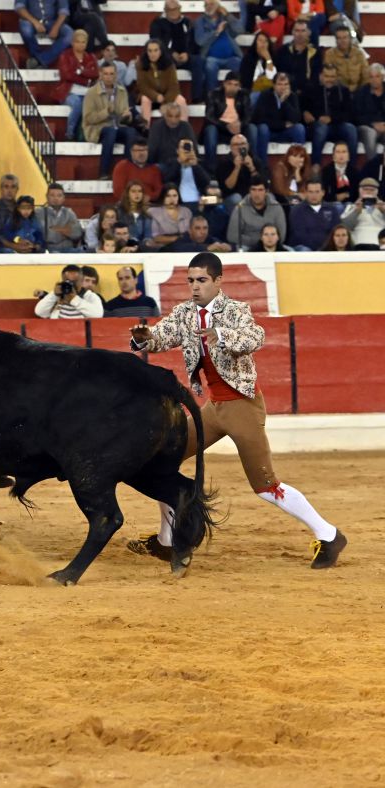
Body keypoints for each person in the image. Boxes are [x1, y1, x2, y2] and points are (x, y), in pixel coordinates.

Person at [127, 252, 346, 570]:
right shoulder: (185, 313)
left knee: (266, 486)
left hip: (242, 406)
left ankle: (328, 534)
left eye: (201, 280)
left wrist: (222, 335)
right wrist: (141, 339)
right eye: (190, 281)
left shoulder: (234, 311)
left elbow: (256, 336)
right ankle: (166, 541)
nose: (195, 287)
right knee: (162, 462)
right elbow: (161, 338)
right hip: (213, 409)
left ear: (218, 281)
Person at [83, 62, 137, 179]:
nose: (108, 77)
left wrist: (127, 116)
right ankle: (103, 172)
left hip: (117, 126)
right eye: (106, 74)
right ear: (100, 75)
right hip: (97, 129)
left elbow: (123, 119)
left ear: (116, 75)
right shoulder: (91, 93)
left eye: (111, 74)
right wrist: (106, 112)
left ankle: (126, 171)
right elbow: (88, 118)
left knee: (131, 132)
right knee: (110, 131)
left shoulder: (122, 91)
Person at [303, 63, 358, 164]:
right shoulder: (311, 89)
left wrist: (332, 119)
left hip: (337, 125)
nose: (330, 79)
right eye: (327, 76)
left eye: (332, 76)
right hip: (317, 127)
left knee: (351, 129)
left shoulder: (344, 91)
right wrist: (305, 112)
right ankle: (316, 165)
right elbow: (303, 108)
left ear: (337, 77)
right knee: (322, 129)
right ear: (321, 76)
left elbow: (350, 114)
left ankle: (351, 166)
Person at [202, 72, 256, 173]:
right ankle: (210, 170)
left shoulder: (244, 95)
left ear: (239, 87)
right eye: (229, 84)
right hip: (220, 130)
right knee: (210, 130)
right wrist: (226, 125)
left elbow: (248, 116)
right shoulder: (213, 94)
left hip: (239, 130)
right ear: (224, 84)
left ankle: (253, 164)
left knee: (252, 128)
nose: (232, 87)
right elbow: (209, 117)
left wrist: (240, 124)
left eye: (236, 85)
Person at [149, 0, 201, 100]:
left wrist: (187, 54)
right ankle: (167, 97)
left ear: (180, 9)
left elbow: (194, 43)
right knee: (163, 61)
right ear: (165, 10)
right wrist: (171, 53)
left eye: (175, 9)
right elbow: (155, 43)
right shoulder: (157, 23)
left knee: (198, 61)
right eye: (169, 10)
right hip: (166, 56)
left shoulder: (188, 22)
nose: (173, 12)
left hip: (185, 56)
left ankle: (197, 98)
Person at [54, 29, 97, 142]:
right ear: (73, 42)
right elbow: (67, 75)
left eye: (83, 42)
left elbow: (95, 73)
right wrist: (86, 80)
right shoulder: (65, 56)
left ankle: (85, 135)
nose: (80, 44)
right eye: (78, 41)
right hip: (68, 92)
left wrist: (80, 71)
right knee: (77, 104)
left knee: (91, 106)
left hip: (87, 93)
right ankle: (70, 133)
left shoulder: (90, 57)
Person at [135, 38, 189, 128]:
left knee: (181, 100)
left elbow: (174, 86)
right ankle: (145, 130)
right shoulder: (141, 65)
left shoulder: (169, 64)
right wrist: (156, 96)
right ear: (146, 52)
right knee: (145, 99)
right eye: (150, 51)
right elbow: (142, 86)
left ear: (161, 51)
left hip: (167, 97)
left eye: (156, 50)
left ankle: (184, 130)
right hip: (150, 96)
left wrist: (165, 102)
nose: (153, 54)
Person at [253, 72, 306, 162]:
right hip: (269, 132)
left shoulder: (292, 96)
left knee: (299, 128)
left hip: (285, 132)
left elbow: (296, 119)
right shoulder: (265, 95)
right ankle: (262, 166)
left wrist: (284, 102)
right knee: (263, 128)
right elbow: (259, 118)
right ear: (274, 85)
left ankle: (298, 163)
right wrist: (282, 125)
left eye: (286, 84)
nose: (283, 87)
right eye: (279, 84)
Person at [194, 0, 243, 97]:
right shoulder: (200, 21)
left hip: (231, 57)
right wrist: (216, 32)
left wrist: (228, 15)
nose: (208, 6)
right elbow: (200, 40)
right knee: (210, 65)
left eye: (211, 4)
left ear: (218, 6)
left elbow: (240, 30)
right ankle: (212, 97)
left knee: (240, 63)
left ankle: (237, 97)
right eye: (206, 5)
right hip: (211, 58)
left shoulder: (225, 18)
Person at [227, 180, 286, 250]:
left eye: (260, 190)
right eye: (253, 190)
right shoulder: (240, 208)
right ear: (249, 191)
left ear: (266, 192)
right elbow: (232, 236)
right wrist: (260, 241)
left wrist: (268, 241)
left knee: (291, 252)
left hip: (273, 245)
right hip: (248, 246)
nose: (256, 194)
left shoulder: (276, 207)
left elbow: (282, 235)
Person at [216, 133, 269, 208]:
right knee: (236, 199)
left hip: (252, 194)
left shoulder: (256, 160)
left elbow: (264, 184)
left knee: (270, 198)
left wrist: (252, 168)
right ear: (231, 147)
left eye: (243, 144)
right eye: (236, 144)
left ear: (247, 146)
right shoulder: (224, 163)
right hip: (232, 196)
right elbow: (227, 188)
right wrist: (237, 168)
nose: (240, 147)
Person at [15, 0, 72, 70]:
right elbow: (19, 7)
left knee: (69, 34)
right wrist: (35, 22)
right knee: (26, 29)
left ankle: (39, 60)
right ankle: (38, 57)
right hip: (31, 21)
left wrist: (56, 27)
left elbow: (64, 10)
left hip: (52, 22)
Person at [33, 263, 103, 319]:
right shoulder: (58, 295)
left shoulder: (90, 296)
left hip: (80, 334)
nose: (72, 284)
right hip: (57, 333)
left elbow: (98, 315)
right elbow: (40, 312)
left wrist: (74, 299)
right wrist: (53, 295)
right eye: (68, 281)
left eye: (75, 281)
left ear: (81, 281)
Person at [287, 180, 342, 250]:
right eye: (311, 192)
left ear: (323, 193)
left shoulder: (332, 209)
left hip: (327, 248)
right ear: (306, 193)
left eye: (317, 192)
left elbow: (336, 231)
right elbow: (299, 235)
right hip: (304, 248)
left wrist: (325, 248)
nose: (314, 195)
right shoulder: (297, 210)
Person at [273, 18, 322, 98]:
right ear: (292, 32)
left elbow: (316, 76)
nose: (300, 34)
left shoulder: (315, 52)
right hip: (286, 91)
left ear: (309, 32)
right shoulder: (283, 50)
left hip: (310, 93)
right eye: (297, 30)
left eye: (303, 31)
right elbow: (279, 72)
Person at [148, 102, 197, 177]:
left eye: (176, 116)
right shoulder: (157, 127)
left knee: (192, 168)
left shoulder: (186, 127)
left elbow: (193, 149)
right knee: (155, 169)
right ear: (165, 116)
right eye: (170, 116)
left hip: (183, 164)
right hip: (163, 165)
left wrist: (182, 159)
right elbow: (152, 151)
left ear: (180, 116)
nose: (173, 120)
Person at [0, 174, 28, 253]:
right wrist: (14, 246)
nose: (9, 191)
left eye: (13, 187)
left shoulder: (22, 208)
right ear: (1, 189)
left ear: (17, 189)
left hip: (20, 245)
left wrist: (28, 243)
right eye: (6, 187)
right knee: (10, 252)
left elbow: (27, 229)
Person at [340, 178, 385, 247]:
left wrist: (383, 210)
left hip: (380, 243)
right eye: (365, 189)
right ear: (360, 191)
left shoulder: (383, 206)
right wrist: (356, 212)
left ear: (377, 192)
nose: (368, 192)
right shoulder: (351, 207)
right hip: (359, 243)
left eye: (372, 190)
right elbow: (345, 226)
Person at [354, 63, 385, 161]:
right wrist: (373, 124)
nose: (374, 80)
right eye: (371, 77)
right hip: (367, 126)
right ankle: (374, 168)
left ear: (383, 77)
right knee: (370, 133)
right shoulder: (362, 92)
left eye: (377, 76)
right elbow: (356, 116)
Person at [323, 26, 368, 94]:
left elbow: (366, 75)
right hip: (338, 92)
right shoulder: (330, 54)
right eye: (339, 38)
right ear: (336, 40)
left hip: (358, 91)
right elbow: (329, 76)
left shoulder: (358, 53)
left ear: (350, 39)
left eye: (345, 37)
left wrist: (362, 91)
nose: (342, 41)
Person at [147, 184, 192, 248]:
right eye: (168, 196)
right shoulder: (154, 212)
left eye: (175, 196)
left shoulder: (186, 212)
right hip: (162, 247)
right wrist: (177, 239)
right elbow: (156, 238)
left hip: (184, 246)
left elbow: (191, 234)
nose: (172, 199)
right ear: (163, 197)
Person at [239, 30, 278, 100]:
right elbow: (245, 81)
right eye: (260, 40)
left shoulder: (274, 58)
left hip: (270, 92)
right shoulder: (248, 58)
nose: (263, 43)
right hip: (251, 91)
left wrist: (268, 58)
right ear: (255, 43)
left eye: (265, 41)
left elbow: (272, 78)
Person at [114, 180, 151, 244]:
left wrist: (146, 243)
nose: (137, 194)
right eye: (133, 191)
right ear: (127, 193)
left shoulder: (145, 215)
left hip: (139, 247)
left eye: (140, 191)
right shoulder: (118, 210)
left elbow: (147, 237)